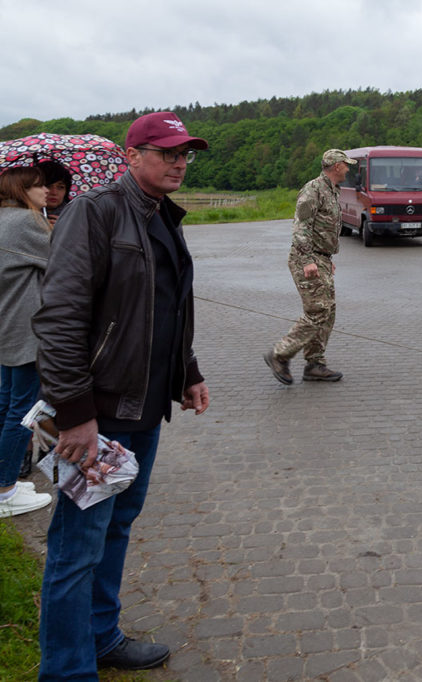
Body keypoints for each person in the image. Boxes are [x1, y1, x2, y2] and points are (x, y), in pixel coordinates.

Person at [32, 111, 210, 678]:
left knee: (116, 526)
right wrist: (77, 415)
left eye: (185, 153)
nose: (179, 162)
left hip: (143, 410)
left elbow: (165, 308)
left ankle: (101, 638)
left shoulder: (163, 216)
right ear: (132, 156)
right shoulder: (95, 213)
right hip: (98, 416)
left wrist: (188, 371)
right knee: (76, 546)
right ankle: (65, 670)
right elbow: (58, 320)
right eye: (166, 152)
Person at [265, 149, 356, 385]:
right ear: (336, 166)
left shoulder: (332, 191)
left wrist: (326, 258)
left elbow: (322, 228)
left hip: (321, 258)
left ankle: (315, 364)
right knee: (318, 310)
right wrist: (308, 261)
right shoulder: (313, 189)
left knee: (328, 311)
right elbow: (301, 227)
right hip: (306, 258)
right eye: (346, 164)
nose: (349, 168)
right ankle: (279, 355)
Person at [0, 166, 54, 517]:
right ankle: (5, 490)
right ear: (21, 190)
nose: (46, 191)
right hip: (25, 330)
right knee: (23, 410)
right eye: (38, 186)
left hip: (5, 326)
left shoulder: (2, 219)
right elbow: (64, 260)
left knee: (5, 404)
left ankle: (4, 482)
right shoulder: (25, 222)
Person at [39, 160, 72, 226]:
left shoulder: (75, 215)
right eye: (48, 186)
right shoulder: (24, 215)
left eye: (60, 187)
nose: (54, 192)